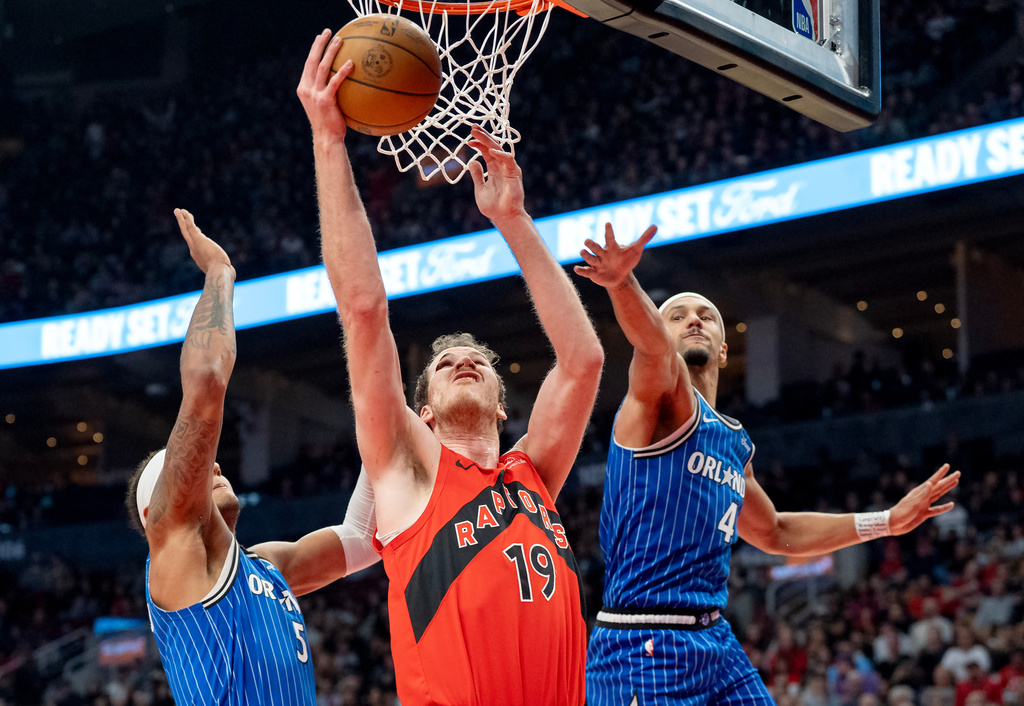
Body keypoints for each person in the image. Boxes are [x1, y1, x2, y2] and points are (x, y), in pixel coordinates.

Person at [296, 29, 605, 706]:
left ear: (502, 404)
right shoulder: (406, 468)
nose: (463, 359)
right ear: (423, 412)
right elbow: (363, 307)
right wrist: (328, 142)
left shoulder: (534, 474)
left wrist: (514, 221)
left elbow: (583, 361)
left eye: (478, 362)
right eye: (443, 363)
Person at [574, 224, 961, 706]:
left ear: (723, 347)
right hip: (642, 642)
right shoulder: (658, 397)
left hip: (714, 642)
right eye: (676, 316)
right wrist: (622, 284)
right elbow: (651, 346)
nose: (694, 320)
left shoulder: (735, 443)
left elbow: (777, 532)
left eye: (706, 316)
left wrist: (885, 521)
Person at [125, 209, 379, 705]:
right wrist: (219, 272)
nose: (213, 466)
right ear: (158, 514)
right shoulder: (173, 547)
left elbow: (363, 538)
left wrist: (387, 424)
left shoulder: (265, 566)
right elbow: (206, 384)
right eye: (187, 473)